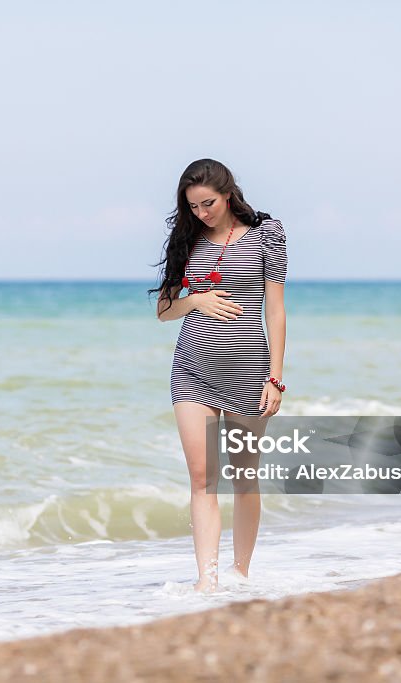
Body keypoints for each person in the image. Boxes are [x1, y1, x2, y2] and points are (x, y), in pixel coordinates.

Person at [149, 158, 288, 593]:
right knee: (202, 477)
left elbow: (276, 310)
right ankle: (206, 580)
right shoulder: (185, 240)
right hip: (192, 371)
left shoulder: (268, 234)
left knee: (245, 477)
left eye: (207, 203)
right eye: (192, 207)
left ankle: (240, 573)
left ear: (228, 194)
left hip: (249, 373)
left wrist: (275, 378)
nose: (201, 213)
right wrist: (197, 301)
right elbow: (164, 311)